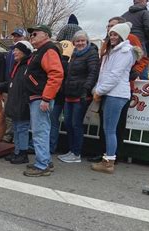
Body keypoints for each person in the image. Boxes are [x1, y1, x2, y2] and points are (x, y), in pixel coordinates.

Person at [88, 16, 148, 163]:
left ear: (121, 30)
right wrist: (98, 88)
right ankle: (107, 155)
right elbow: (105, 70)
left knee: (113, 128)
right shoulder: (109, 45)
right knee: (107, 126)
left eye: (113, 28)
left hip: (116, 91)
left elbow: (117, 73)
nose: (110, 31)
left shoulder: (127, 45)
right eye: (109, 27)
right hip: (108, 90)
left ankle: (111, 157)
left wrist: (135, 72)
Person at [23, 25, 64, 177]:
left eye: (35, 33)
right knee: (41, 131)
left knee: (40, 132)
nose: (31, 36)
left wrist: (46, 98)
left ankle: (42, 166)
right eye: (31, 34)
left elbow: (56, 74)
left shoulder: (48, 50)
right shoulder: (43, 50)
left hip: (41, 98)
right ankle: (45, 161)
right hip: (39, 97)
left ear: (45, 35)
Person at [58, 31, 100, 163]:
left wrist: (86, 90)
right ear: (74, 43)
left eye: (83, 40)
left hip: (81, 95)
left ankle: (76, 153)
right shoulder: (74, 54)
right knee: (69, 123)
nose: (80, 43)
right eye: (78, 41)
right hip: (70, 94)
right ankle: (71, 150)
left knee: (76, 124)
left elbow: (93, 73)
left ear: (87, 41)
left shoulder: (91, 54)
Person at [0, 41, 34, 164]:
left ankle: (23, 153)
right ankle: (17, 151)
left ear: (24, 52)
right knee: (17, 128)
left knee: (22, 129)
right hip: (16, 102)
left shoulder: (28, 66)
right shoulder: (18, 65)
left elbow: (27, 86)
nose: (14, 52)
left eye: (17, 50)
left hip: (23, 103)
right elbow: (12, 83)